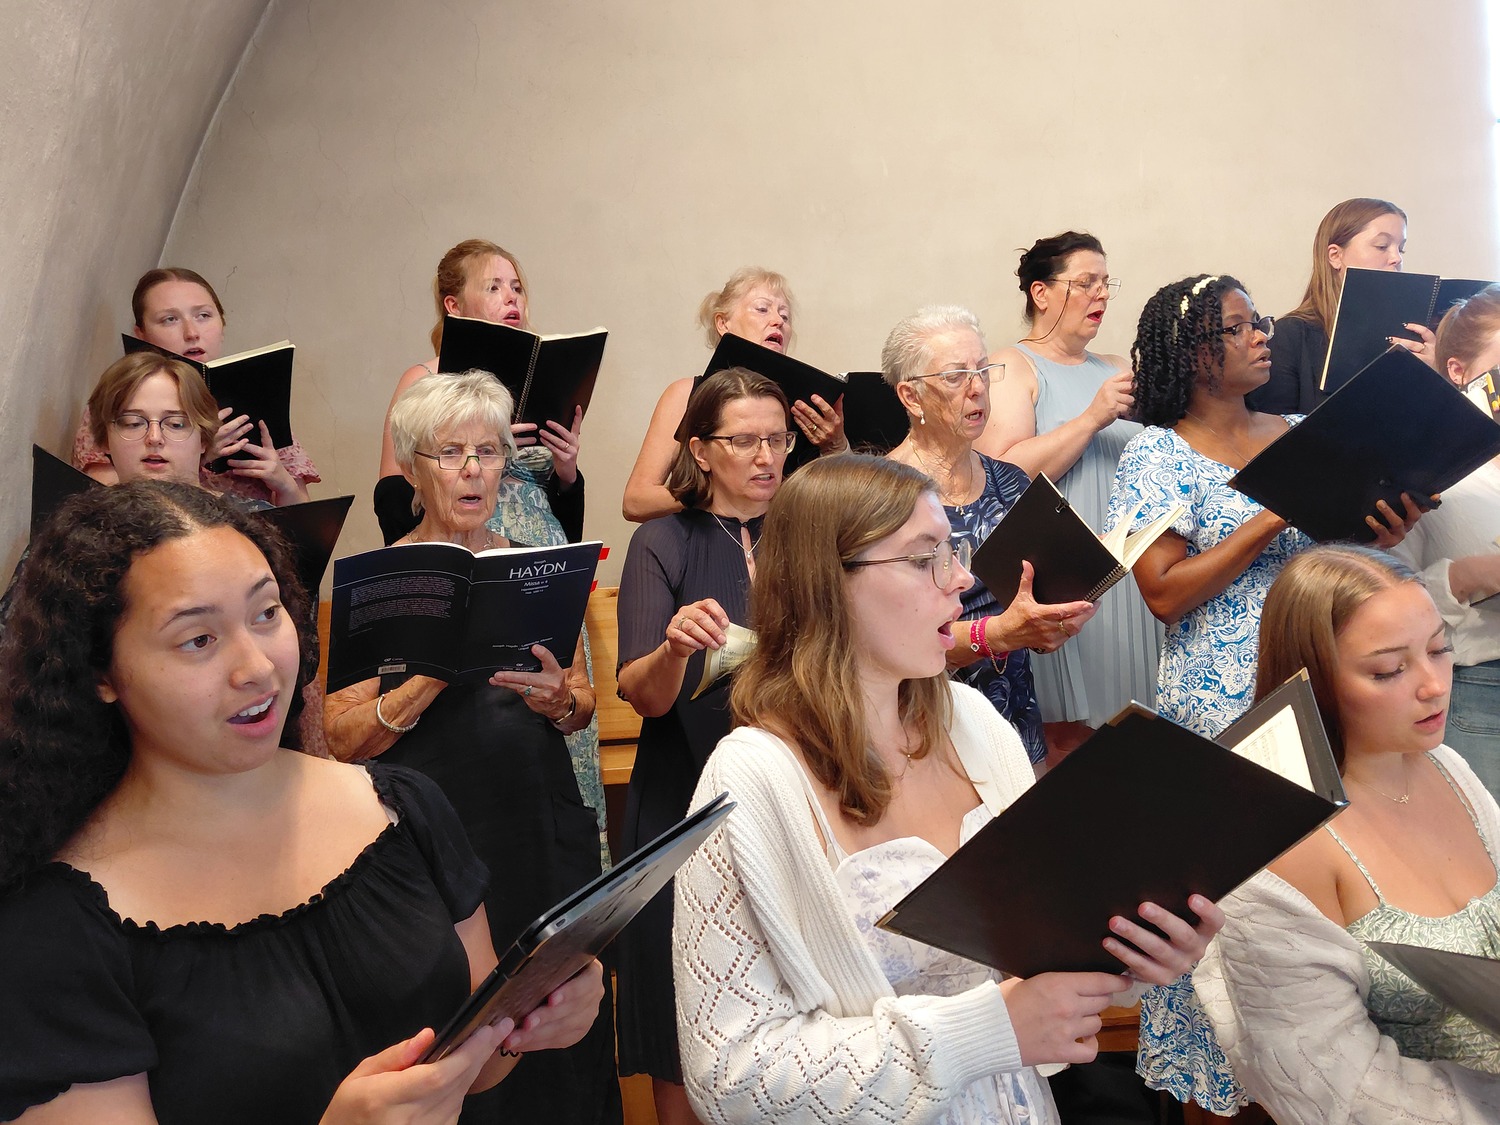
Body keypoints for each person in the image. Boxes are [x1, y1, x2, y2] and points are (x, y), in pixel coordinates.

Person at [0, 481, 602, 1123]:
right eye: (198, 639)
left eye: (266, 614)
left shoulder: (400, 807)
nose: (257, 668)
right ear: (99, 672)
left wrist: (526, 1020)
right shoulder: (57, 928)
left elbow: (474, 1069)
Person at [671, 454, 1224, 1124]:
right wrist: (988, 1031)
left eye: (953, 553)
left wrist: (1134, 953)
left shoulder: (975, 724)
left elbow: (1043, 960)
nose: (962, 578)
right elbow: (728, 1078)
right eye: (924, 557)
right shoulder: (750, 782)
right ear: (826, 582)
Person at [1107, 274, 1420, 1112]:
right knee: (1229, 916)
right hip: (1223, 712)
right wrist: (1274, 510)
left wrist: (1381, 532)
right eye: (1239, 327)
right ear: (1194, 354)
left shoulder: (1301, 431)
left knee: (1327, 900)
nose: (1262, 337)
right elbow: (1163, 591)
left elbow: (1340, 559)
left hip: (1326, 695)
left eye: (1260, 323)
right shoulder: (1154, 454)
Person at [325, 372, 620, 1125]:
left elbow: (581, 703)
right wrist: (429, 675)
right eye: (451, 453)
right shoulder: (381, 582)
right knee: (462, 1029)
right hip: (437, 854)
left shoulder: (534, 566)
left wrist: (558, 699)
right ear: (413, 467)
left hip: (538, 832)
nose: (473, 470)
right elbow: (340, 736)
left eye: (487, 452)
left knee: (558, 1023)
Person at [1194, 544, 1500, 1123]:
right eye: (1389, 670)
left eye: (1439, 649)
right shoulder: (1286, 847)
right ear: (1313, 680)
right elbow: (1334, 1092)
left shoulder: (1448, 768)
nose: (1434, 685)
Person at [615, 366, 795, 1124]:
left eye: (778, 439)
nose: (766, 456)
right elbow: (643, 694)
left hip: (792, 798)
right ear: (699, 449)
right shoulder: (663, 540)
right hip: (682, 799)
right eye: (744, 441)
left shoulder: (808, 535)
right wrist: (674, 649)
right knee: (681, 1013)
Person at [882, 305, 1096, 768]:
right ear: (911, 396)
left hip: (1014, 723)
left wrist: (1053, 622)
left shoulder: (1009, 482)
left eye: (982, 370)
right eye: (956, 375)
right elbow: (887, 636)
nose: (977, 387)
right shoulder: (882, 495)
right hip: (924, 728)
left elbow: (1029, 605)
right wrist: (997, 633)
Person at [978, 232, 1160, 756]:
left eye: (1106, 283)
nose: (1100, 294)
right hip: (1068, 572)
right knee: (1073, 738)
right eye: (1085, 283)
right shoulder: (1012, 366)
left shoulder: (1116, 367)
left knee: (1141, 727)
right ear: (1041, 293)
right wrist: (1091, 418)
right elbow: (1000, 473)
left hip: (1131, 570)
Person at [374, 239, 585, 547]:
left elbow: (561, 507)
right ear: (454, 306)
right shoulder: (425, 379)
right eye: (493, 288)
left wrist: (567, 474)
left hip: (545, 545)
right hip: (465, 544)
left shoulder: (540, 377)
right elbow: (393, 493)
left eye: (517, 288)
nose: (511, 298)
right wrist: (489, 447)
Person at [73, 267, 319, 503]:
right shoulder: (120, 401)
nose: (191, 332)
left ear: (222, 325)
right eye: (170, 319)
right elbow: (104, 502)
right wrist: (194, 455)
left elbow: (304, 519)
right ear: (141, 334)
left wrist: (282, 482)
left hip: (253, 528)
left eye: (203, 316)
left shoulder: (256, 401)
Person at [622, 267, 847, 523]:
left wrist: (835, 447)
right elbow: (636, 502)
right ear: (723, 323)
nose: (778, 321)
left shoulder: (809, 406)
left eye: (785, 316)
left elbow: (843, 509)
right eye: (762, 309)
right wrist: (721, 494)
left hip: (784, 541)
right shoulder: (685, 394)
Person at [1391, 284, 1500, 800]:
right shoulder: (1423, 467)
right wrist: (1472, 575)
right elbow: (1387, 601)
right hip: (1481, 689)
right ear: (1458, 370)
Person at [1247, 198, 1432, 415]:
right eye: (1382, 246)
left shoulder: (1411, 333)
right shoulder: (1291, 335)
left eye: (1401, 249)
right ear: (1335, 256)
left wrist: (1435, 378)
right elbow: (1275, 427)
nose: (1396, 258)